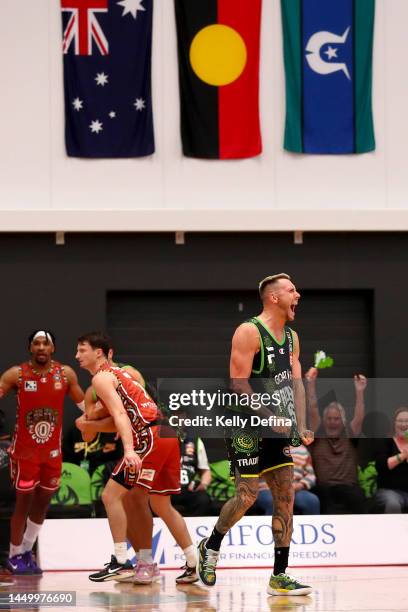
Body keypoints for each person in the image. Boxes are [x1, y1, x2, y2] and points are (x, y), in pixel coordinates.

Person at [197, 273, 313, 596]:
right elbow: (238, 384)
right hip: (244, 423)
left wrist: (300, 424)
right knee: (247, 495)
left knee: (286, 495)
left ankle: (280, 575)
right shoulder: (249, 332)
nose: (298, 295)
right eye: (292, 290)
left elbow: (296, 384)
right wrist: (269, 415)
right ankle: (211, 545)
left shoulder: (292, 338)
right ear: (274, 298)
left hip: (277, 426)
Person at [75, 332, 198, 585]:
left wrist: (129, 450)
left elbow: (120, 415)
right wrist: (91, 424)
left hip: (149, 436)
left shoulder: (102, 378)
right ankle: (194, 562)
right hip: (165, 432)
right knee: (160, 504)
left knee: (110, 495)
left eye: (82, 350)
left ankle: (122, 562)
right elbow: (125, 416)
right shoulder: (124, 374)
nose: (77, 355)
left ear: (99, 352)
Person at [0, 330, 84, 575]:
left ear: (53, 349)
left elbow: (84, 407)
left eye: (45, 344)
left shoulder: (65, 373)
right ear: (30, 348)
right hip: (25, 454)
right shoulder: (16, 374)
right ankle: (14, 555)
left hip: (52, 454)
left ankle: (26, 551)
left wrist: (107, 416)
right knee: (23, 504)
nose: (40, 348)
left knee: (42, 504)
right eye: (36, 344)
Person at [306, 367, 367, 514]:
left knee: (358, 498)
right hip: (324, 489)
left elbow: (359, 418)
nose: (333, 421)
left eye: (337, 419)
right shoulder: (317, 435)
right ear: (324, 420)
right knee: (325, 503)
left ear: (343, 421)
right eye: (329, 418)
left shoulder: (350, 435)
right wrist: (310, 384)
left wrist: (360, 391)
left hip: (349, 488)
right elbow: (313, 410)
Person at [257, 443, 320, 515]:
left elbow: (310, 475)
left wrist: (299, 485)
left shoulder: (302, 449)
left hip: (294, 489)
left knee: (312, 501)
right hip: (267, 489)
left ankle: (308, 525)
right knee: (275, 501)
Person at [371, 407, 408, 513]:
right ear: (394, 423)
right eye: (400, 421)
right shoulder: (385, 441)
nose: (404, 424)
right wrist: (403, 455)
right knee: (393, 504)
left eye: (407, 421)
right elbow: (381, 466)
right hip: (389, 491)